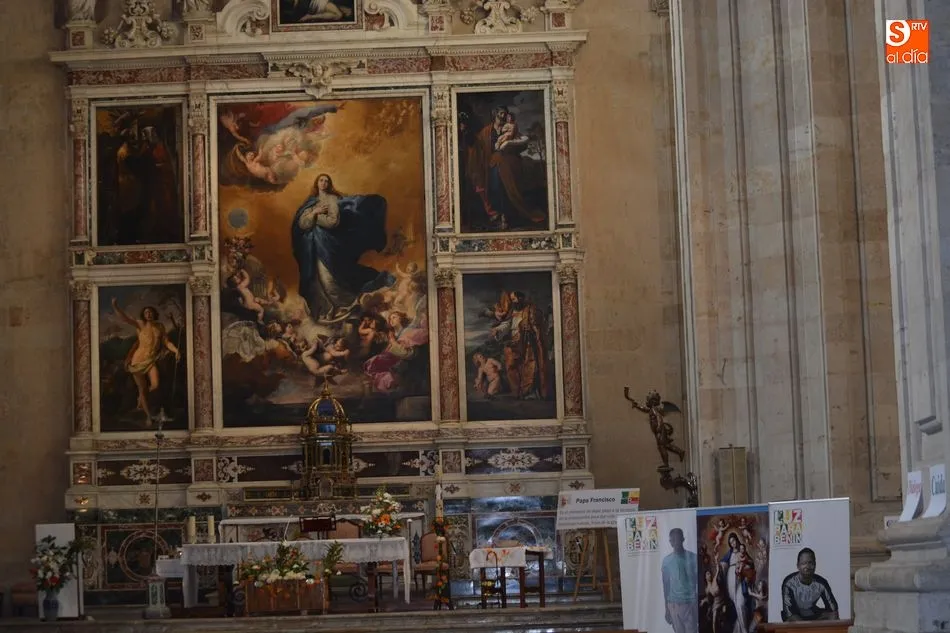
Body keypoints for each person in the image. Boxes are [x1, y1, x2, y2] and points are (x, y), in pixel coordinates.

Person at [111, 298, 180, 421]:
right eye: (146, 312)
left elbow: (166, 342)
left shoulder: (160, 326)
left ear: (154, 314)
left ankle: (141, 399)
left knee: (155, 385)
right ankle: (148, 416)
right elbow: (125, 319)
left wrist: (176, 351)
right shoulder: (140, 324)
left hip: (151, 360)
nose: (148, 314)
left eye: (150, 312)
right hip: (138, 361)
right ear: (143, 315)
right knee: (142, 389)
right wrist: (115, 306)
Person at [780, 548, 839, 622]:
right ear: (798, 566)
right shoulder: (789, 583)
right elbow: (789, 613)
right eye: (803, 563)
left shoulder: (821, 583)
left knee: (833, 615)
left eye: (810, 563)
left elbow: (833, 610)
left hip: (811, 614)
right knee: (790, 619)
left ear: (815, 565)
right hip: (795, 615)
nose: (807, 567)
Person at [662, 528, 698, 633]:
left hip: (690, 604)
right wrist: (667, 608)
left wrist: (696, 605)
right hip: (674, 605)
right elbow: (666, 585)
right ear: (670, 542)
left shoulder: (693, 558)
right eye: (673, 540)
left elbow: (699, 582)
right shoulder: (666, 561)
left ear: (683, 539)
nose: (676, 543)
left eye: (678, 539)